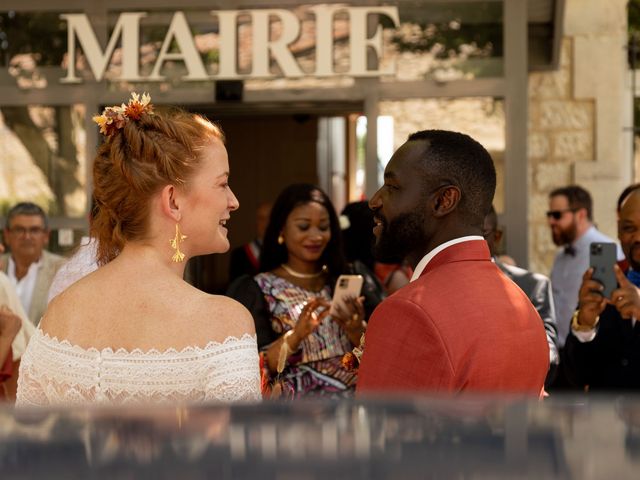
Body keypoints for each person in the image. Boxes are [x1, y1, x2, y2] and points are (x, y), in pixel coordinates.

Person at [16, 92, 261, 406]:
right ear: (172, 201)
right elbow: (231, 452)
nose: (233, 201)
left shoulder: (60, 314)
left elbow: (31, 446)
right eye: (222, 183)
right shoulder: (225, 324)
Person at [356, 130, 549, 394]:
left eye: (392, 187)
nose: (375, 200)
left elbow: (379, 432)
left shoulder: (410, 312)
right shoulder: (521, 305)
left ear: (443, 200)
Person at [227, 184, 367, 398]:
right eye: (303, 227)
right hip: (296, 417)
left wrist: (357, 329)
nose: (316, 236)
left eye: (323, 227)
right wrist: (296, 336)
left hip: (353, 410)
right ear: (281, 229)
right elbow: (249, 369)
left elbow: (380, 355)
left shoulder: (342, 278)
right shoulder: (258, 288)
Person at [563, 188, 640, 390]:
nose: (637, 237)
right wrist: (585, 325)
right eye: (629, 228)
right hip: (604, 420)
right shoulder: (605, 282)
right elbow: (577, 376)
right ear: (618, 231)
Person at [483, 206, 559, 388]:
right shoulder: (441, 287)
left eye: (481, 235)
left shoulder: (532, 286)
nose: (471, 245)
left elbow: (550, 357)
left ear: (497, 236)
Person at [547, 185, 623, 350]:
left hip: (591, 355)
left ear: (581, 214)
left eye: (557, 215)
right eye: (549, 215)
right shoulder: (560, 256)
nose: (550, 221)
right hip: (560, 354)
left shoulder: (608, 251)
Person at [2, 202, 65, 326]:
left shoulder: (63, 270)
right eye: (19, 229)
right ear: (7, 235)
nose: (27, 236)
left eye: (34, 230)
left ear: (46, 236)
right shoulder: (0, 266)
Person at [228, 201, 272, 282]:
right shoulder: (239, 255)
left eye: (270, 218)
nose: (266, 223)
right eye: (261, 218)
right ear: (256, 222)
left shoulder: (286, 252)